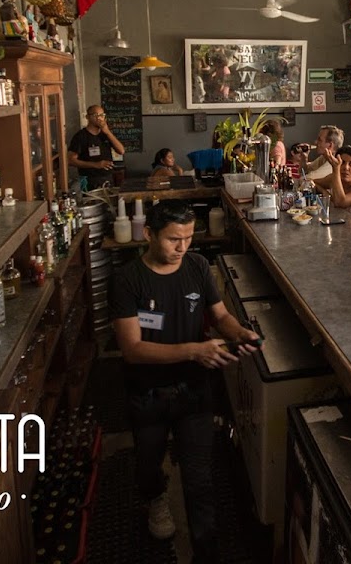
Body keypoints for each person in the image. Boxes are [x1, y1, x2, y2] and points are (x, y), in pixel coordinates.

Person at [108, 201, 262, 559]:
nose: (182, 247)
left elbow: (219, 315)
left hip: (193, 390)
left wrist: (239, 332)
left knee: (200, 479)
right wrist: (195, 351)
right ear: (148, 234)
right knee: (148, 464)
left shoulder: (195, 266)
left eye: (189, 238)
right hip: (147, 392)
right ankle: (156, 497)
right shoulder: (127, 280)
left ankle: (205, 551)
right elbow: (131, 349)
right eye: (174, 239)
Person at [67, 105, 125, 188]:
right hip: (89, 179)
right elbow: (70, 160)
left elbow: (121, 151)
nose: (99, 118)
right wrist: (96, 164)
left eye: (102, 115)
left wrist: (107, 132)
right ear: (87, 117)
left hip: (107, 177)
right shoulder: (80, 136)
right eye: (95, 115)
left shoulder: (106, 134)